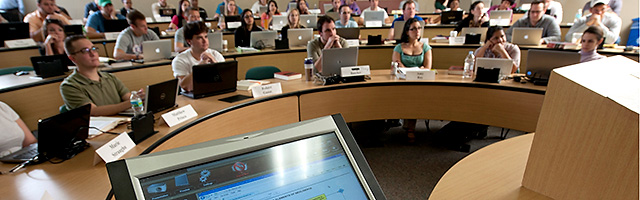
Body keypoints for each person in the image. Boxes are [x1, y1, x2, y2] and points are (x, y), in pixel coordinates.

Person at [60, 35, 143, 116]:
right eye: (85, 50)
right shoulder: (69, 86)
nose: (93, 54)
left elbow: (127, 97)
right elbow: (93, 111)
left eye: (94, 49)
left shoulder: (110, 77)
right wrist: (133, 101)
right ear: (72, 58)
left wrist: (139, 98)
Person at [172, 21, 225, 92]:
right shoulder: (179, 60)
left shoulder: (215, 54)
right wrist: (200, 67)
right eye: (199, 38)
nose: (205, 41)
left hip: (214, 92)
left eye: (206, 37)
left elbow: (226, 80)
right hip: (192, 96)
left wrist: (214, 63)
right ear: (189, 41)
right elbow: (186, 87)